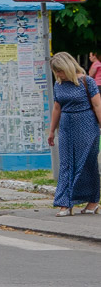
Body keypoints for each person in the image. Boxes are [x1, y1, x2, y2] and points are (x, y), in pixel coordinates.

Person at [48, 51, 101, 216]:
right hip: (66, 127)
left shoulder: (87, 81)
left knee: (86, 164)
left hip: (87, 127)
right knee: (66, 164)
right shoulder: (59, 85)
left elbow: (98, 106)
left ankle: (92, 202)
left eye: (60, 70)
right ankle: (65, 203)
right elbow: (57, 108)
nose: (58, 74)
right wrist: (51, 131)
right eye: (55, 71)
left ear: (68, 67)